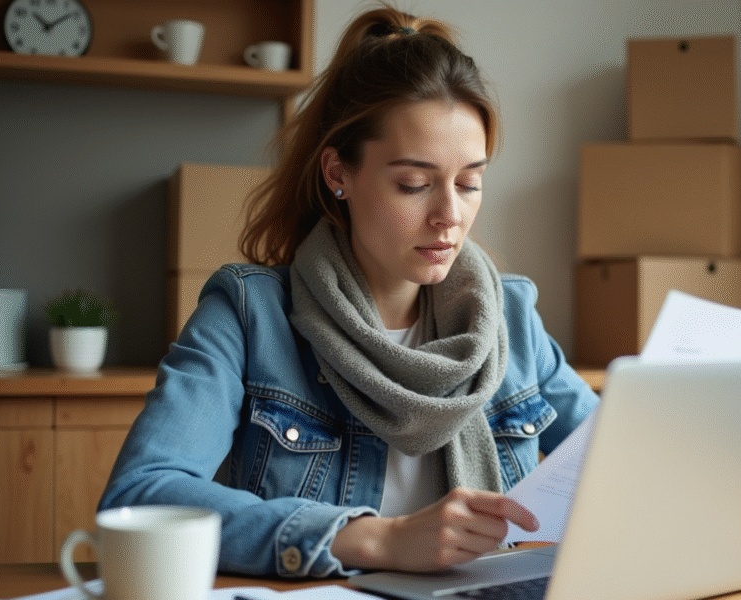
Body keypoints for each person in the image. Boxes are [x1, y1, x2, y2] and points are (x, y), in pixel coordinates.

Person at [99, 3, 598, 578]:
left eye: (469, 182)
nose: (449, 216)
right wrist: (375, 540)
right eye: (414, 184)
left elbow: (619, 464)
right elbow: (142, 493)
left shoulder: (510, 316)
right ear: (339, 174)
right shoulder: (248, 314)